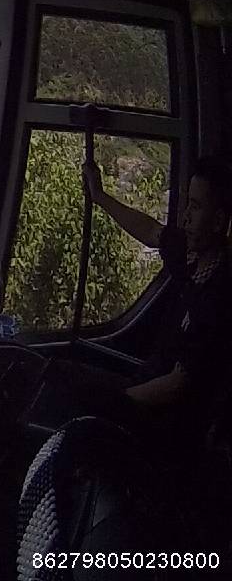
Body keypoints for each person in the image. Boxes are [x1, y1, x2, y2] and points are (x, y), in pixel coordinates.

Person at [76, 156, 232, 451]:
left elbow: (177, 385)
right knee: (61, 375)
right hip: (145, 383)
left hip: (168, 425)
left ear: (218, 222)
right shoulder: (190, 254)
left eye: (196, 207)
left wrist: (115, 403)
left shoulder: (219, 296)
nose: (185, 217)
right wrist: (100, 197)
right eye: (187, 205)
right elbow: (150, 231)